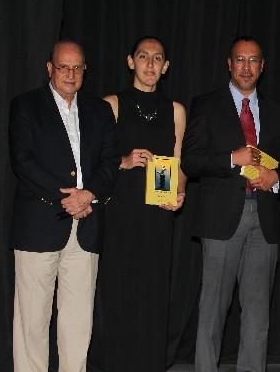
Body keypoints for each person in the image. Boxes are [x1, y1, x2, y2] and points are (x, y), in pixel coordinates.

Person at [181, 36, 280, 372]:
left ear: (263, 66)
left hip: (264, 218)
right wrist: (231, 159)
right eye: (240, 60)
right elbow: (190, 161)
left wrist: (276, 178)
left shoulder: (277, 110)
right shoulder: (205, 104)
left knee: (258, 312)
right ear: (229, 64)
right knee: (213, 309)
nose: (246, 67)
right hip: (221, 219)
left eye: (253, 60)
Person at [8, 40, 118, 372]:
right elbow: (23, 162)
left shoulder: (99, 110)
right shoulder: (26, 106)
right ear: (49, 68)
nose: (70, 74)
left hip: (86, 225)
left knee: (78, 321)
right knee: (32, 322)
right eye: (63, 66)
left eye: (77, 67)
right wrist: (66, 197)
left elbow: (111, 161)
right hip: (39, 226)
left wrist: (89, 195)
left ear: (85, 70)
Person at [94, 36, 186, 371]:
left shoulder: (175, 110)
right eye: (143, 56)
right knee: (118, 295)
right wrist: (125, 160)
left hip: (158, 216)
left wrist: (180, 193)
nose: (150, 63)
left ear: (166, 67)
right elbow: (94, 162)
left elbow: (178, 164)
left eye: (157, 57)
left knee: (153, 296)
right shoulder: (111, 104)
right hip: (120, 214)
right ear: (130, 61)